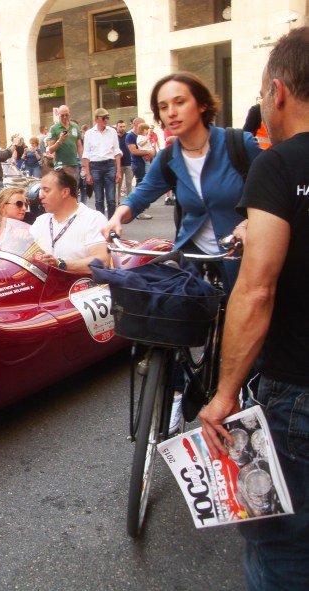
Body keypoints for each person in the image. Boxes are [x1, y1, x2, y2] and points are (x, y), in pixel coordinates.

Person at [198, 26, 309, 590]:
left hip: (298, 389)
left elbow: (256, 290)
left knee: (283, 548)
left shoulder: (281, 163)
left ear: (277, 92)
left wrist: (223, 395)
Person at [102, 71, 261, 432]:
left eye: (180, 102)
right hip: (192, 256)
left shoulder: (239, 144)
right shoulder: (170, 155)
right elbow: (144, 191)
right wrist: (118, 216)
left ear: (202, 104)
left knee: (246, 332)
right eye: (163, 107)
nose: (171, 112)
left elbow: (268, 187)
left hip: (238, 256)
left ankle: (248, 399)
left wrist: (251, 221)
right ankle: (175, 394)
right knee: (169, 324)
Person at [30, 168, 109, 273]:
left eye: (46, 190)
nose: (40, 195)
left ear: (65, 192)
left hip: (81, 287)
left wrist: (61, 264)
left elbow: (102, 261)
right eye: (41, 190)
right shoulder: (41, 221)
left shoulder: (93, 219)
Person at [82, 108, 122, 219]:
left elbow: (117, 151)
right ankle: (101, 224)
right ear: (96, 119)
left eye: (107, 118)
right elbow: (86, 154)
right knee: (99, 199)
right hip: (95, 166)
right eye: (103, 118)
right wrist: (88, 173)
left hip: (110, 165)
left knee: (111, 199)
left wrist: (118, 171)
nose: (106, 120)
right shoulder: (89, 134)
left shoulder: (112, 131)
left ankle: (112, 223)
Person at [126, 118, 155, 220]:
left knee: (143, 185)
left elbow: (151, 149)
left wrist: (151, 153)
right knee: (140, 186)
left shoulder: (143, 136)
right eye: (142, 123)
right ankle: (137, 211)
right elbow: (134, 151)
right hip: (137, 163)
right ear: (136, 124)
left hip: (145, 162)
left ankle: (138, 209)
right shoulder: (130, 136)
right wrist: (148, 152)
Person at [46, 105, 83, 180]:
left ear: (69, 114)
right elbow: (51, 149)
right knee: (61, 189)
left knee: (74, 188)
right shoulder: (54, 128)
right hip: (61, 165)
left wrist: (83, 164)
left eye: (66, 115)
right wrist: (60, 140)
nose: (65, 117)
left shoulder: (75, 127)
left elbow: (79, 147)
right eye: (62, 115)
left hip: (74, 165)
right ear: (58, 115)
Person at [116, 120, 133, 205]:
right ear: (117, 127)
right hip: (119, 164)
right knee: (118, 183)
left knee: (129, 183)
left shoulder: (128, 136)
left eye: (123, 126)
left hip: (129, 163)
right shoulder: (114, 137)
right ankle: (117, 200)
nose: (122, 128)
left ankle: (129, 201)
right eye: (120, 127)